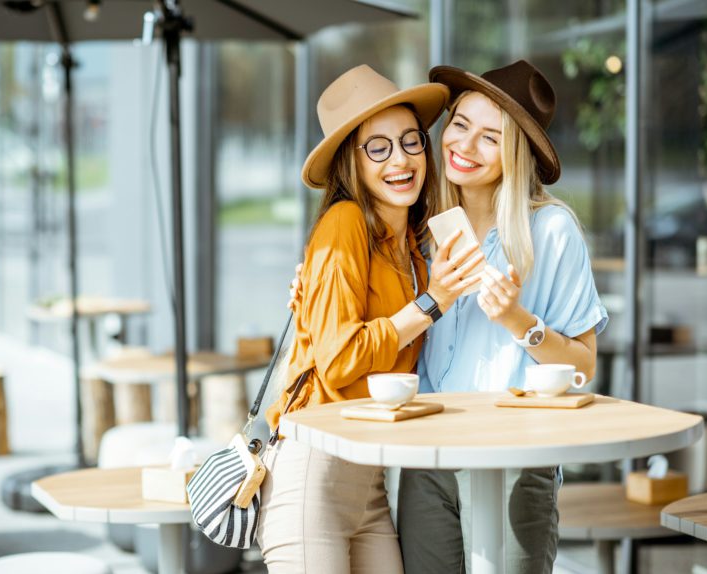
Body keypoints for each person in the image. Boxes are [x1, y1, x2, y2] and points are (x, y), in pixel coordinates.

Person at [256, 64, 482, 574]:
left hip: (371, 481)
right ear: (350, 163)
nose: (400, 160)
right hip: (313, 469)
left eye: (410, 142)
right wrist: (431, 303)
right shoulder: (345, 223)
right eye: (377, 148)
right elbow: (338, 363)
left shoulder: (416, 248)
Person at [397, 60, 608, 574]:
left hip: (518, 457)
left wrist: (517, 320)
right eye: (460, 125)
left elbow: (583, 368)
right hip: (428, 454)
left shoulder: (552, 231)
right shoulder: (419, 228)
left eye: (490, 138)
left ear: (515, 154)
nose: (464, 147)